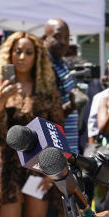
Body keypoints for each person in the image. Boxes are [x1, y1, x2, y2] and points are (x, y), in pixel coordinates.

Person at [0, 32, 64, 217]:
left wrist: (52, 170)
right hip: (8, 166)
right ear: (9, 55)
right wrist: (1, 101)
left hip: (38, 165)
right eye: (17, 51)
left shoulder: (46, 89)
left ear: (37, 57)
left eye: (28, 52)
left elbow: (56, 129)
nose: (22, 57)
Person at [43, 19, 82, 147]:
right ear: (45, 38)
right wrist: (71, 105)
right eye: (57, 37)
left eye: (67, 38)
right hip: (55, 149)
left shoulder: (62, 63)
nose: (64, 42)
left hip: (69, 145)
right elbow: (48, 114)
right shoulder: (45, 68)